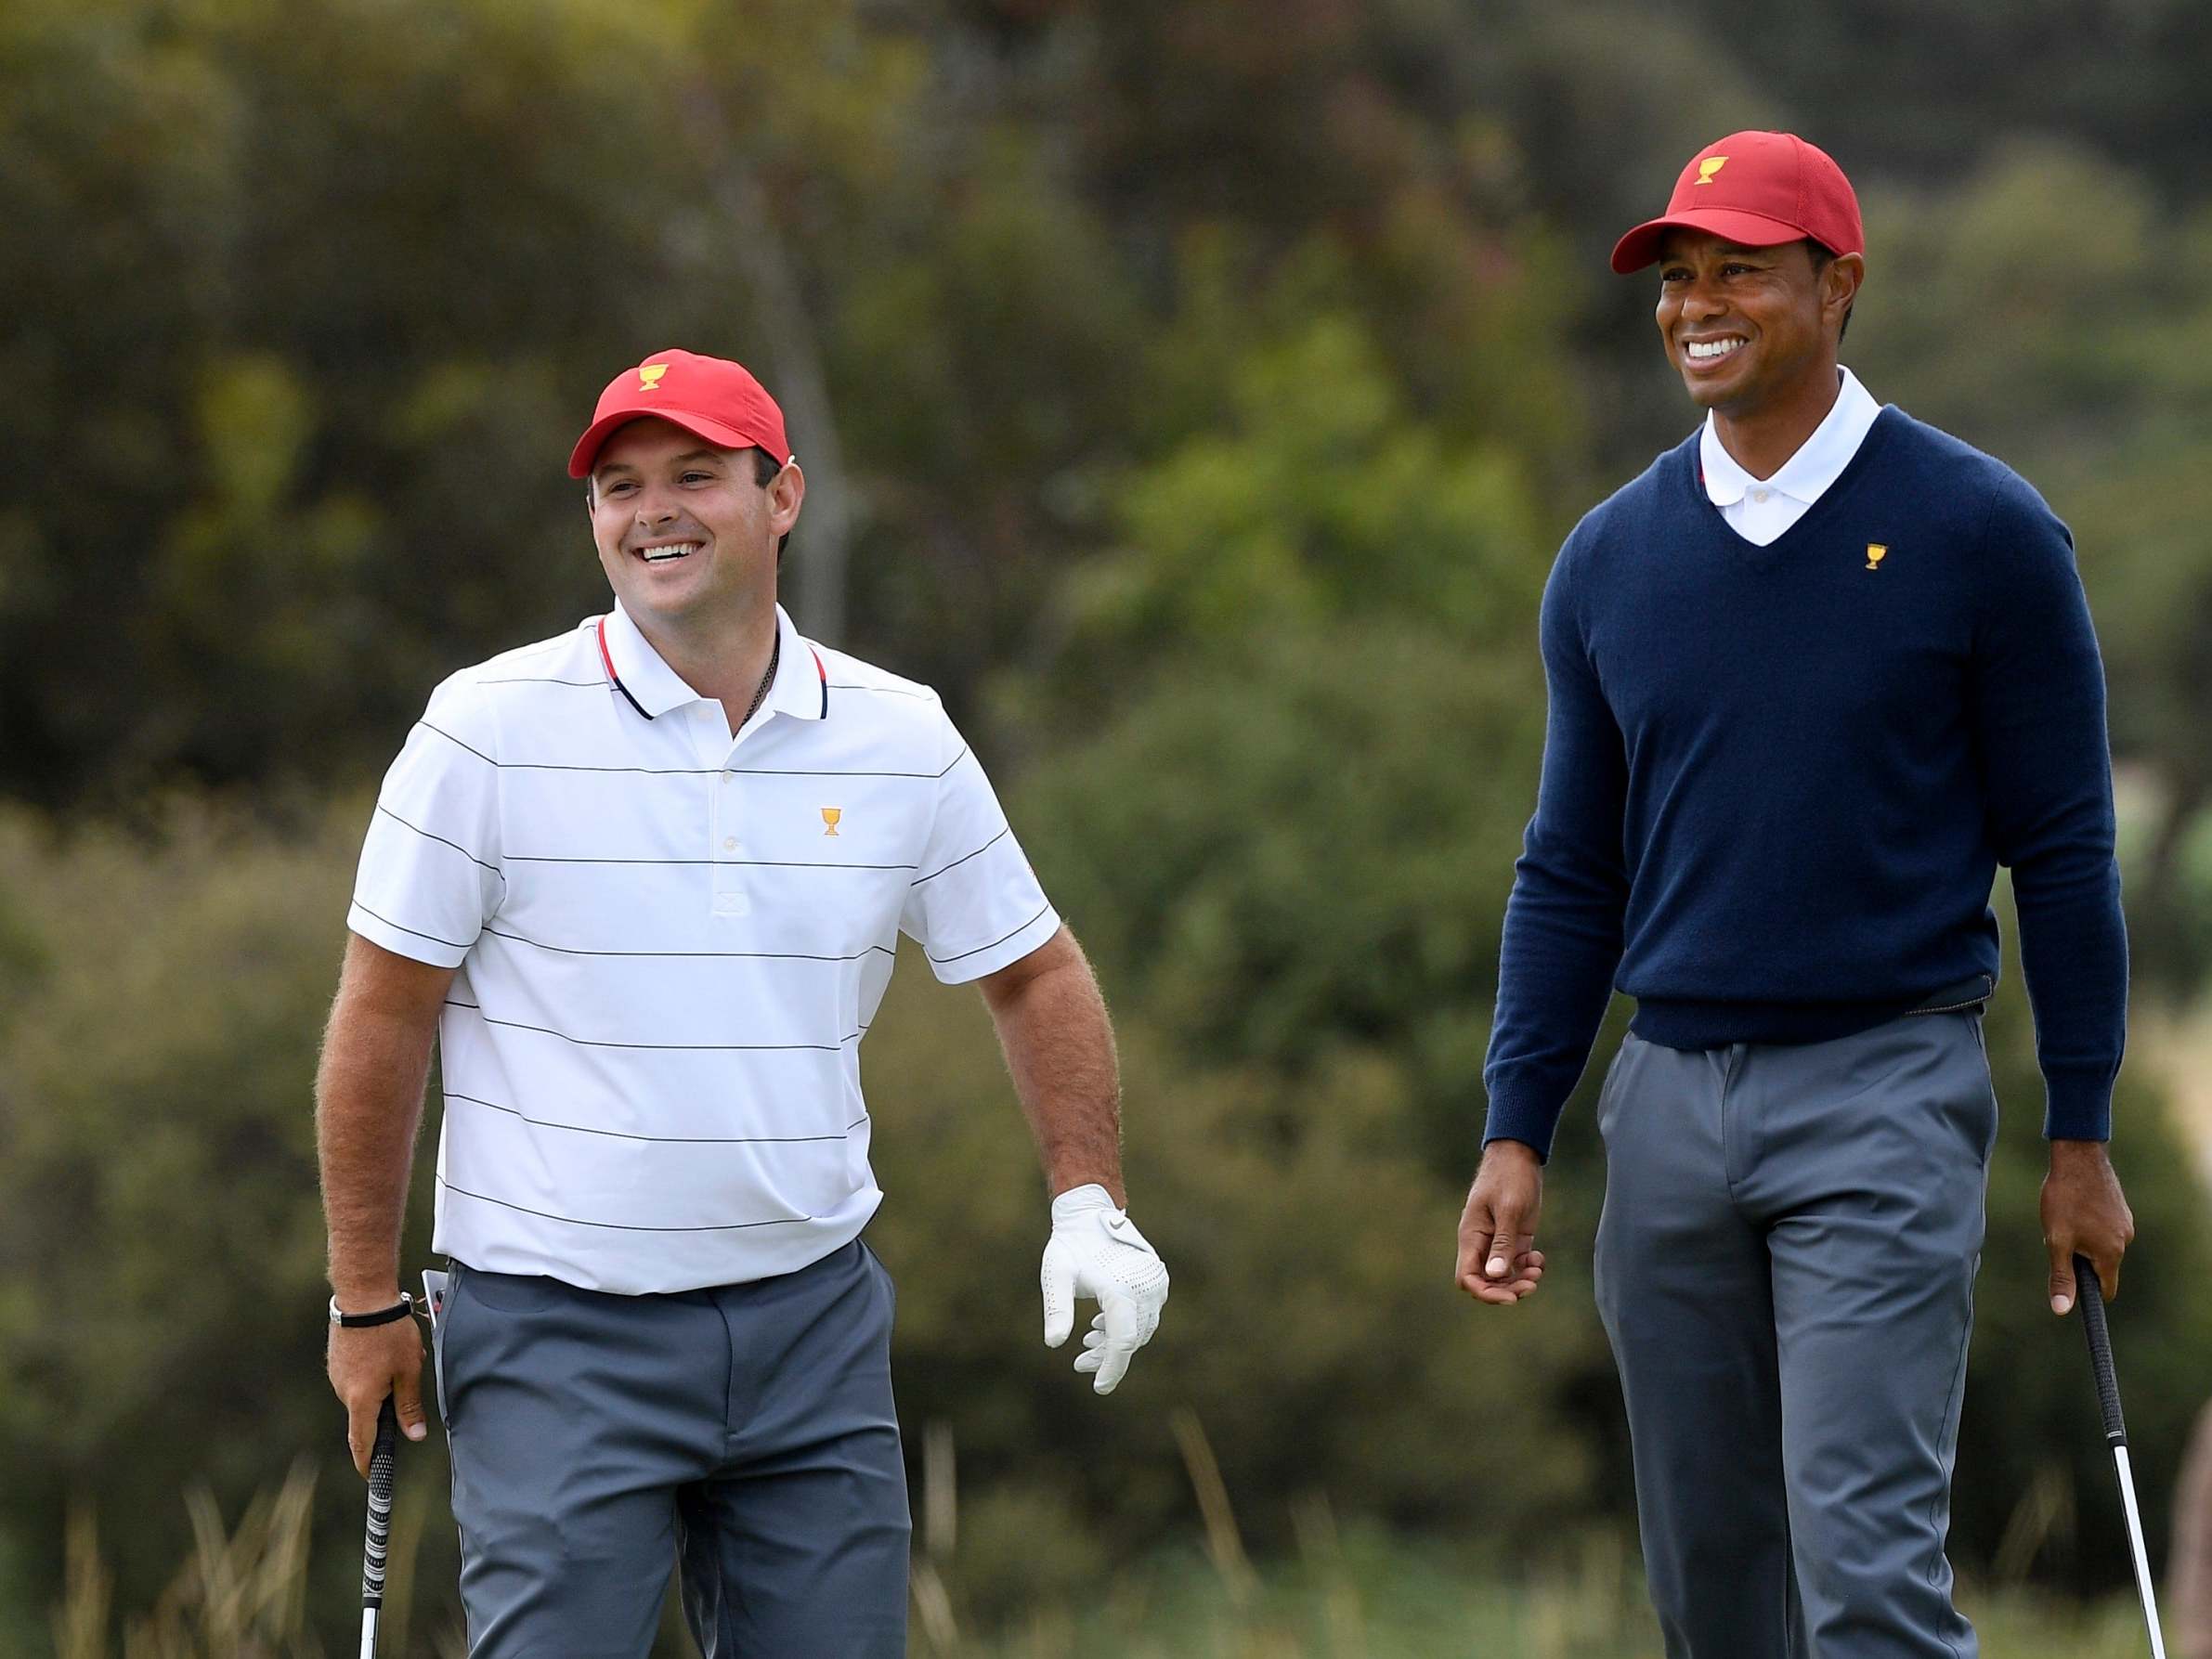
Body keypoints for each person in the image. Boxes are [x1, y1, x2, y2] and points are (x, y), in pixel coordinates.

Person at [316, 348, 1169, 1657]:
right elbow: (382, 1017)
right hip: (555, 1331)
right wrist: (363, 1300)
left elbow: (1033, 969)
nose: (650, 509)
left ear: (783, 498)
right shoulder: (483, 730)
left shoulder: (898, 735)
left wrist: (1088, 1202)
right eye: (618, 485)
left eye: (694, 477)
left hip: (808, 1329)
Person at [1453, 132, 2137, 1657]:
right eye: (1678, 277)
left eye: (1738, 272)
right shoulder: (1608, 560)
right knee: (1713, 1599)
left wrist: (2078, 1136)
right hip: (1665, 1107)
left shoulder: (1983, 534)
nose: (1697, 303)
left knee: (1868, 1587)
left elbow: (2067, 854)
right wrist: (1516, 1123)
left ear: (1837, 287)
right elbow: (1569, 869)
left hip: (1882, 1094)